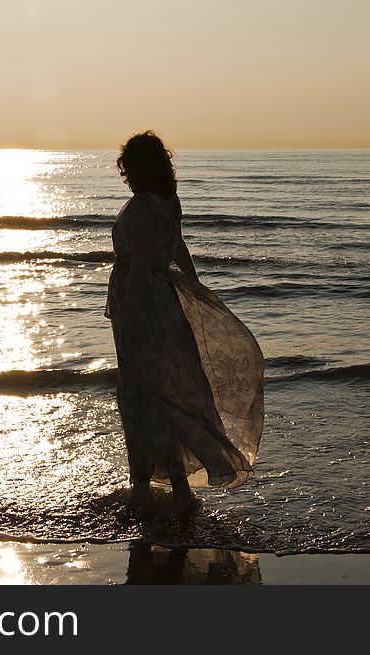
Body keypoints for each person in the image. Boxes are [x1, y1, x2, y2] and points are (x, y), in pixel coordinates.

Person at [105, 130, 265, 517]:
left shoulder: (142, 206)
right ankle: (177, 491)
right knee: (166, 396)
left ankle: (143, 492)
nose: (124, 173)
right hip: (163, 301)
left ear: (136, 168)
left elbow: (141, 267)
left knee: (139, 400)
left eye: (127, 166)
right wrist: (194, 286)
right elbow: (177, 246)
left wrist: (127, 323)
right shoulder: (168, 201)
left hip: (144, 306)